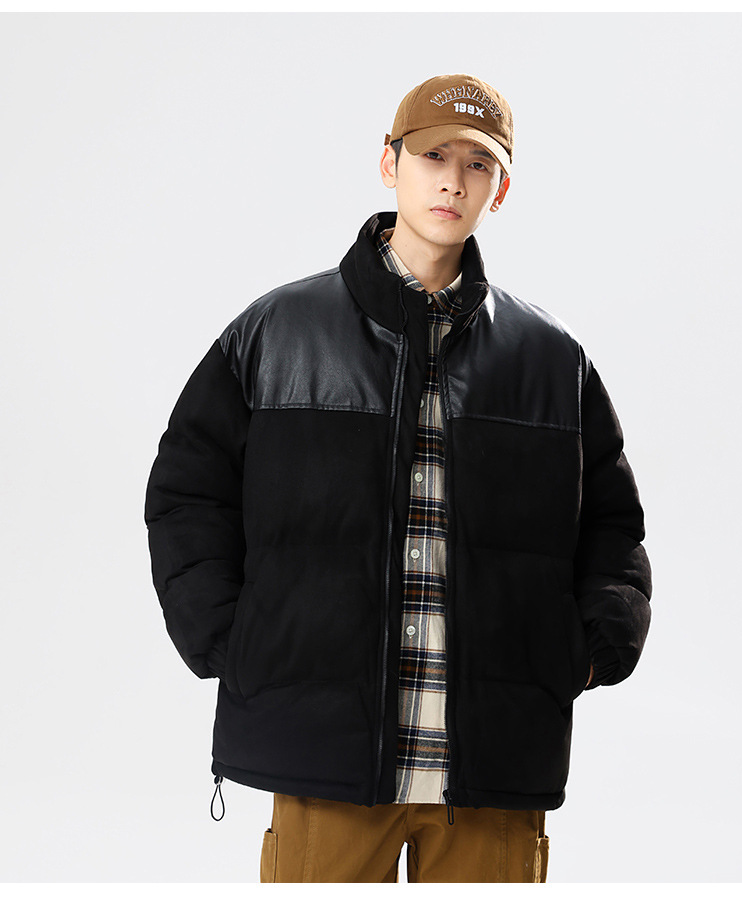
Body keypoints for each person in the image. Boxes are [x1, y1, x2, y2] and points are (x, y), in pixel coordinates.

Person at [144, 73, 652, 883]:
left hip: (493, 768)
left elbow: (612, 525)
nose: (453, 181)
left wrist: (589, 649)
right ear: (389, 163)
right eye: (432, 156)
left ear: (501, 188)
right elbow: (187, 489)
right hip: (323, 759)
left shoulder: (551, 360)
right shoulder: (277, 331)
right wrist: (229, 638)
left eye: (478, 164)